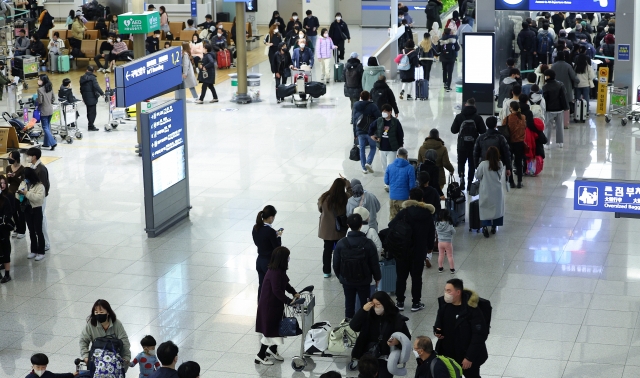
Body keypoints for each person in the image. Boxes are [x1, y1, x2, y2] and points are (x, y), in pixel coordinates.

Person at [350, 291, 411, 378]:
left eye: (378, 304)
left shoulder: (396, 319)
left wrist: (397, 342)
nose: (375, 307)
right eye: (373, 305)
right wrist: (363, 310)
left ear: (385, 304)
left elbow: (406, 338)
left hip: (385, 357)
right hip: (368, 355)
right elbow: (353, 326)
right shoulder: (368, 315)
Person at [434, 279, 488, 377]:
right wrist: (437, 331)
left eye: (449, 291)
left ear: (458, 292)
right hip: (448, 354)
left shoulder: (472, 309)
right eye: (445, 290)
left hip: (466, 355)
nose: (446, 293)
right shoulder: (444, 305)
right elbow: (438, 323)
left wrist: (469, 357)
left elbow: (479, 335)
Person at [391, 188, 435, 309]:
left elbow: (391, 226)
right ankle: (416, 303)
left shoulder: (403, 213)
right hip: (419, 251)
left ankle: (399, 302)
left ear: (409, 198)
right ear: (422, 199)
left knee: (401, 277)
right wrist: (430, 248)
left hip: (402, 250)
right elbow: (432, 233)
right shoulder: (427, 214)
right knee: (416, 277)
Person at [255, 246, 300, 365]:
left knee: (277, 328)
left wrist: (294, 292)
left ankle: (273, 350)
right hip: (269, 306)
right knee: (270, 331)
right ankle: (260, 355)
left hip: (275, 305)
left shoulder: (279, 270)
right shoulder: (275, 273)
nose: (289, 259)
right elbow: (277, 290)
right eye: (287, 257)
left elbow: (285, 284)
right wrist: (288, 301)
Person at [333, 213, 382, 319]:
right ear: (361, 225)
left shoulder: (341, 243)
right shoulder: (368, 243)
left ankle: (348, 328)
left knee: (349, 304)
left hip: (347, 280)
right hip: (364, 280)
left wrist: (341, 277)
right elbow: (374, 263)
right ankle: (363, 325)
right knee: (365, 304)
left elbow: (336, 264)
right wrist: (377, 277)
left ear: (348, 225)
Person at [80, 299, 131, 369]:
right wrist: (86, 356)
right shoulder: (91, 325)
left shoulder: (117, 324)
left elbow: (124, 342)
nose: (99, 314)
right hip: (96, 361)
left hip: (114, 360)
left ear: (108, 312)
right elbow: (83, 341)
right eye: (96, 312)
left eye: (101, 312)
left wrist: (126, 358)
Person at [318, 177, 353, 277]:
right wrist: (347, 183)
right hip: (339, 228)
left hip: (326, 229)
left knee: (327, 250)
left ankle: (326, 271)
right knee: (340, 250)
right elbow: (351, 192)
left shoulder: (324, 197)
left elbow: (320, 209)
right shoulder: (344, 198)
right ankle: (340, 270)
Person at [450, 98, 486, 190]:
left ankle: (462, 178)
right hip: (474, 145)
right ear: (474, 106)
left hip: (462, 144)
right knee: (472, 164)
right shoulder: (477, 117)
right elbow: (483, 131)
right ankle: (470, 183)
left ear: (465, 105)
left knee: (461, 162)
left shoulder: (459, 116)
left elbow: (453, 130)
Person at [369, 106, 404, 190]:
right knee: (384, 167)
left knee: (390, 166)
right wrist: (371, 135)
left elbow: (400, 134)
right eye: (382, 111)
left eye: (385, 111)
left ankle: (389, 184)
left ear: (390, 112)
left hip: (392, 148)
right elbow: (371, 127)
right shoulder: (380, 120)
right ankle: (387, 182)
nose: (383, 113)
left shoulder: (395, 122)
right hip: (382, 148)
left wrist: (400, 145)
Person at [475, 146, 506, 237]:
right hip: (497, 191)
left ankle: (485, 226)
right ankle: (494, 226)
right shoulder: (500, 164)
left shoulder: (483, 164)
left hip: (486, 190)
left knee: (485, 208)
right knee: (497, 208)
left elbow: (477, 175)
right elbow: (500, 175)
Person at [252, 205, 282, 301]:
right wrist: (278, 236)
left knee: (262, 285)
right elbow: (277, 248)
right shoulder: (270, 231)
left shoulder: (255, 228)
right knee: (272, 286)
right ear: (271, 217)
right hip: (269, 263)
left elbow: (258, 242)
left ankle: (260, 306)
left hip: (259, 261)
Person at [17, 168, 44, 260]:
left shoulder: (39, 186)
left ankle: (41, 251)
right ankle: (33, 250)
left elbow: (39, 198)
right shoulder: (23, 183)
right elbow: (18, 193)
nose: (24, 178)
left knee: (38, 231)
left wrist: (26, 193)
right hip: (27, 209)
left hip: (36, 209)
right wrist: (20, 194)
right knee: (31, 230)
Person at [352, 91, 381, 173]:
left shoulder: (356, 105)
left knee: (362, 149)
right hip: (370, 131)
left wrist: (355, 133)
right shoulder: (372, 106)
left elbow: (354, 120)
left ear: (360, 97)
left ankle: (363, 168)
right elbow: (379, 118)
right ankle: (368, 162)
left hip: (360, 130)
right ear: (369, 97)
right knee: (373, 147)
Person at [385, 148, 416, 220]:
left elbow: (386, 181)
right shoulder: (410, 168)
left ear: (397, 156)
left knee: (393, 219)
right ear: (406, 156)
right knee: (404, 219)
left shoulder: (390, 166)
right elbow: (412, 186)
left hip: (392, 197)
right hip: (404, 198)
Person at [542, 69, 569, 148]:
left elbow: (545, 99)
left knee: (548, 126)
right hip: (559, 109)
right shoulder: (560, 84)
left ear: (548, 77)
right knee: (560, 126)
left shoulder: (545, 87)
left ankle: (547, 143)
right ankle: (560, 142)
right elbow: (564, 97)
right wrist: (566, 107)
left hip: (549, 110)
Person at [503, 101, 527, 188]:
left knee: (509, 162)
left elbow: (503, 129)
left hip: (510, 143)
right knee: (519, 162)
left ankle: (511, 181)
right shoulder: (523, 117)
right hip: (520, 143)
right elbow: (524, 127)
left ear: (511, 108)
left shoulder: (507, 118)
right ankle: (520, 181)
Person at [6, 151, 25, 241]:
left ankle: (22, 230)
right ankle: (17, 228)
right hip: (11, 192)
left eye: (11, 158)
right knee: (13, 211)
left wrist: (14, 176)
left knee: (20, 212)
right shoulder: (8, 167)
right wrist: (9, 177)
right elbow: (9, 182)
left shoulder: (22, 169)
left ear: (16, 159)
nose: (10, 159)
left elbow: (22, 182)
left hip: (19, 192)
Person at [79, 66, 104, 132]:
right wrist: (102, 93)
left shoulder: (82, 78)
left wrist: (83, 96)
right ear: (93, 71)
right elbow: (96, 86)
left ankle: (90, 124)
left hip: (85, 96)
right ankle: (91, 126)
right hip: (92, 97)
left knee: (89, 111)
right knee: (92, 112)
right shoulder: (93, 78)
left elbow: (81, 89)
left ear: (87, 70)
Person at [36, 75, 56, 150]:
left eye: (39, 79)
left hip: (43, 111)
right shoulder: (50, 88)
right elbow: (53, 98)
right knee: (48, 126)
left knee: (45, 127)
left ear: (43, 81)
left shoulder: (40, 90)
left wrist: (36, 100)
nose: (38, 81)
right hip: (50, 110)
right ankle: (46, 143)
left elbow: (40, 101)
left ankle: (53, 143)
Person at [435, 208, 456, 273]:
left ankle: (440, 268)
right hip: (448, 242)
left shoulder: (437, 224)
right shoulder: (449, 224)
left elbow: (436, 231)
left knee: (441, 255)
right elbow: (454, 232)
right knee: (450, 255)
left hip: (440, 242)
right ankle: (452, 269)